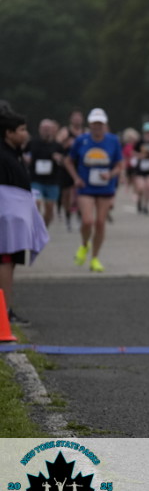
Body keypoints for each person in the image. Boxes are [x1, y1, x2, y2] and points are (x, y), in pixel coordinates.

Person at [1, 103, 49, 325]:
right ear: (8, 133)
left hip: (14, 220)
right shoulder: (3, 156)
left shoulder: (14, 153)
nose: (26, 134)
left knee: (9, 262)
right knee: (5, 260)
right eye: (21, 130)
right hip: (6, 222)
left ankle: (6, 310)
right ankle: (3, 312)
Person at [63, 108, 124, 273]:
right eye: (94, 123)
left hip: (105, 187)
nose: (97, 126)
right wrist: (76, 178)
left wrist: (111, 174)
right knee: (87, 221)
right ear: (89, 124)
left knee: (100, 223)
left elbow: (120, 164)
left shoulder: (113, 141)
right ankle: (84, 245)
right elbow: (68, 161)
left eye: (100, 123)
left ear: (105, 124)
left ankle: (95, 258)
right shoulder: (81, 140)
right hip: (86, 187)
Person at [26, 119, 64, 227]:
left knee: (50, 208)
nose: (46, 131)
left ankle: (44, 228)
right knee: (36, 203)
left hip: (52, 180)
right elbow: (23, 153)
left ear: (53, 130)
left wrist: (59, 159)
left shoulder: (57, 145)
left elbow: (64, 161)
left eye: (48, 129)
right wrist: (26, 158)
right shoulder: (33, 143)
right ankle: (35, 226)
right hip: (36, 179)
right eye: (44, 129)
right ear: (40, 129)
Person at [56, 109, 84, 232]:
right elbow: (56, 146)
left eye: (79, 117)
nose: (77, 120)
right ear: (71, 119)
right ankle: (68, 216)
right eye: (75, 118)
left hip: (81, 166)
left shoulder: (85, 132)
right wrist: (66, 143)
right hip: (66, 166)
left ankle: (79, 216)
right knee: (66, 194)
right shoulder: (65, 132)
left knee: (80, 194)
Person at [132, 122, 149, 216]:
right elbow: (133, 153)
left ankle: (146, 205)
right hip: (140, 169)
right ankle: (139, 200)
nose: (148, 134)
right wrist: (140, 155)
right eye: (147, 132)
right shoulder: (139, 142)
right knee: (141, 187)